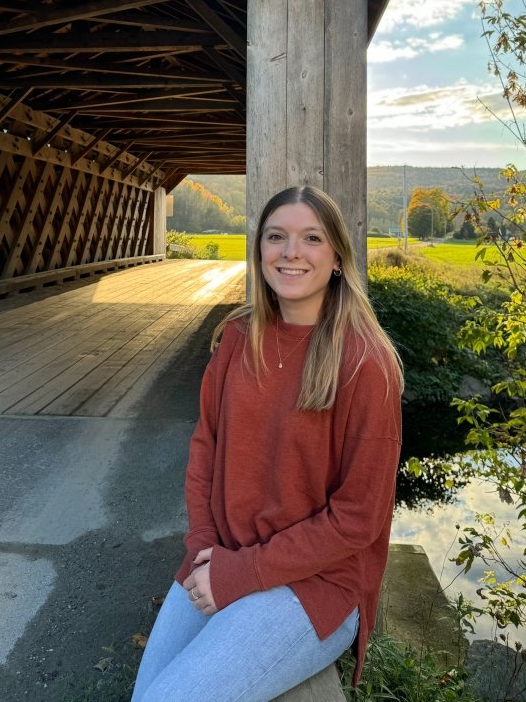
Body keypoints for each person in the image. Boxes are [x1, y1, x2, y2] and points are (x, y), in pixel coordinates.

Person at [130, 186, 403, 702]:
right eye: (276, 237)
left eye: (311, 238)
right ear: (259, 252)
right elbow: (205, 450)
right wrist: (204, 549)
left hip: (315, 585)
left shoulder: (365, 363)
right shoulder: (237, 338)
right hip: (224, 555)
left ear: (339, 257)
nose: (290, 252)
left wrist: (244, 572)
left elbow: (359, 517)